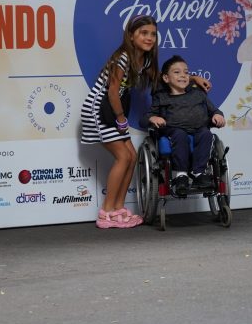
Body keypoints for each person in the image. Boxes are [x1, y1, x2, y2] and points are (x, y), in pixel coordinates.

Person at [81, 17, 211, 228]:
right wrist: (121, 119)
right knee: (123, 157)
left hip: (114, 111)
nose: (149, 38)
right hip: (100, 110)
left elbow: (162, 78)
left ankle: (118, 208)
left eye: (152, 34)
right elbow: (112, 92)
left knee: (132, 157)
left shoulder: (145, 61)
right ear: (131, 36)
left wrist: (193, 78)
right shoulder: (122, 58)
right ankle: (106, 212)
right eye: (143, 33)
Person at [144, 54, 225, 198]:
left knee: (206, 134)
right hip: (174, 131)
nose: (183, 75)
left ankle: (199, 172)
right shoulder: (162, 97)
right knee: (180, 134)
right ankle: (181, 174)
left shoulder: (198, 94)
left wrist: (218, 116)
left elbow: (214, 110)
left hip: (199, 130)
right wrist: (153, 118)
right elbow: (145, 117)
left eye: (186, 72)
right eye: (177, 72)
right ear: (166, 78)